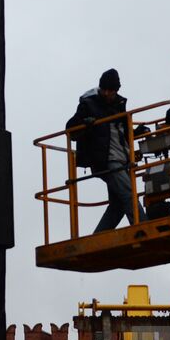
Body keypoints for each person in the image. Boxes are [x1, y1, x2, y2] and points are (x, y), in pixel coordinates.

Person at [67, 68, 136, 232]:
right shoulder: (88, 103)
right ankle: (143, 227)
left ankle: (97, 238)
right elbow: (71, 130)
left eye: (110, 90)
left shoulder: (119, 105)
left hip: (121, 158)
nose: (106, 93)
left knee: (118, 205)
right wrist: (85, 123)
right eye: (104, 89)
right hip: (106, 160)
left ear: (116, 90)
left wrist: (136, 132)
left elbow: (122, 131)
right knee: (128, 194)